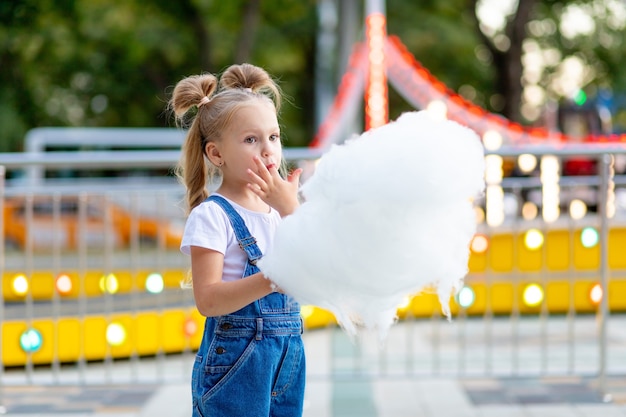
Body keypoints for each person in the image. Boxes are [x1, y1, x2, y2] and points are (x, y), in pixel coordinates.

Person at [169, 63, 305, 417]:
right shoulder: (213, 216)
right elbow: (208, 300)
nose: (268, 150)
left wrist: (292, 211)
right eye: (251, 139)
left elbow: (319, 260)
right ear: (216, 154)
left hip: (287, 359)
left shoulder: (281, 210)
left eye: (273, 137)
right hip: (236, 366)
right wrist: (271, 279)